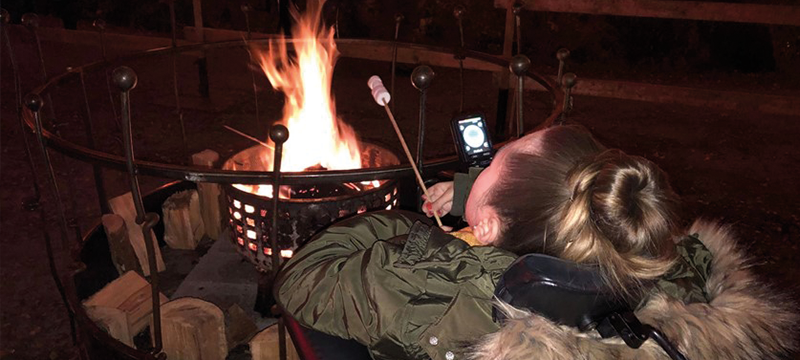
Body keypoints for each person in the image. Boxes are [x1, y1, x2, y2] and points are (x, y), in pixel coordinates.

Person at [274, 125, 797, 360]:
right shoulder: (672, 265)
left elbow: (301, 276)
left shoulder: (437, 295)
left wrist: (400, 225)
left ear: (488, 232)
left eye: (494, 161)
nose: (489, 157)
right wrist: (469, 197)